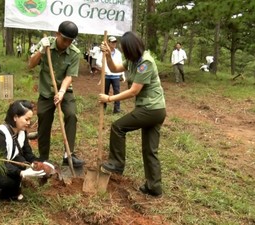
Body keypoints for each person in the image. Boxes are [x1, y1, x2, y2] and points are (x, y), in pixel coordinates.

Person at [98, 31, 166, 197]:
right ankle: (154, 187)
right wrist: (107, 55)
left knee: (118, 127)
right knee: (149, 150)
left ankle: (116, 163)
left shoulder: (145, 63)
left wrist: (110, 98)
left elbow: (134, 91)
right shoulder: (133, 60)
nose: (125, 54)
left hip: (151, 109)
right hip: (153, 109)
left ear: (132, 48)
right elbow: (114, 68)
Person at [28, 21, 85, 167]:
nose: (67, 43)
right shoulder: (46, 46)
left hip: (65, 91)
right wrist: (41, 50)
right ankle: (43, 156)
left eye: (70, 41)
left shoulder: (74, 53)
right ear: (57, 34)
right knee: (43, 118)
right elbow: (31, 64)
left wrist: (61, 92)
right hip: (46, 91)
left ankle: (68, 154)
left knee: (71, 115)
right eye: (64, 39)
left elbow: (69, 76)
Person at [96, 36, 125, 114]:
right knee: (105, 92)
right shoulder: (103, 52)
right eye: (112, 42)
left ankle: (117, 109)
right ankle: (103, 107)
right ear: (108, 43)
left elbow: (121, 64)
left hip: (116, 75)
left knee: (117, 92)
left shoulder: (118, 53)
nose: (114, 44)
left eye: (115, 42)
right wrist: (104, 69)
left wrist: (122, 75)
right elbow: (98, 62)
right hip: (107, 75)